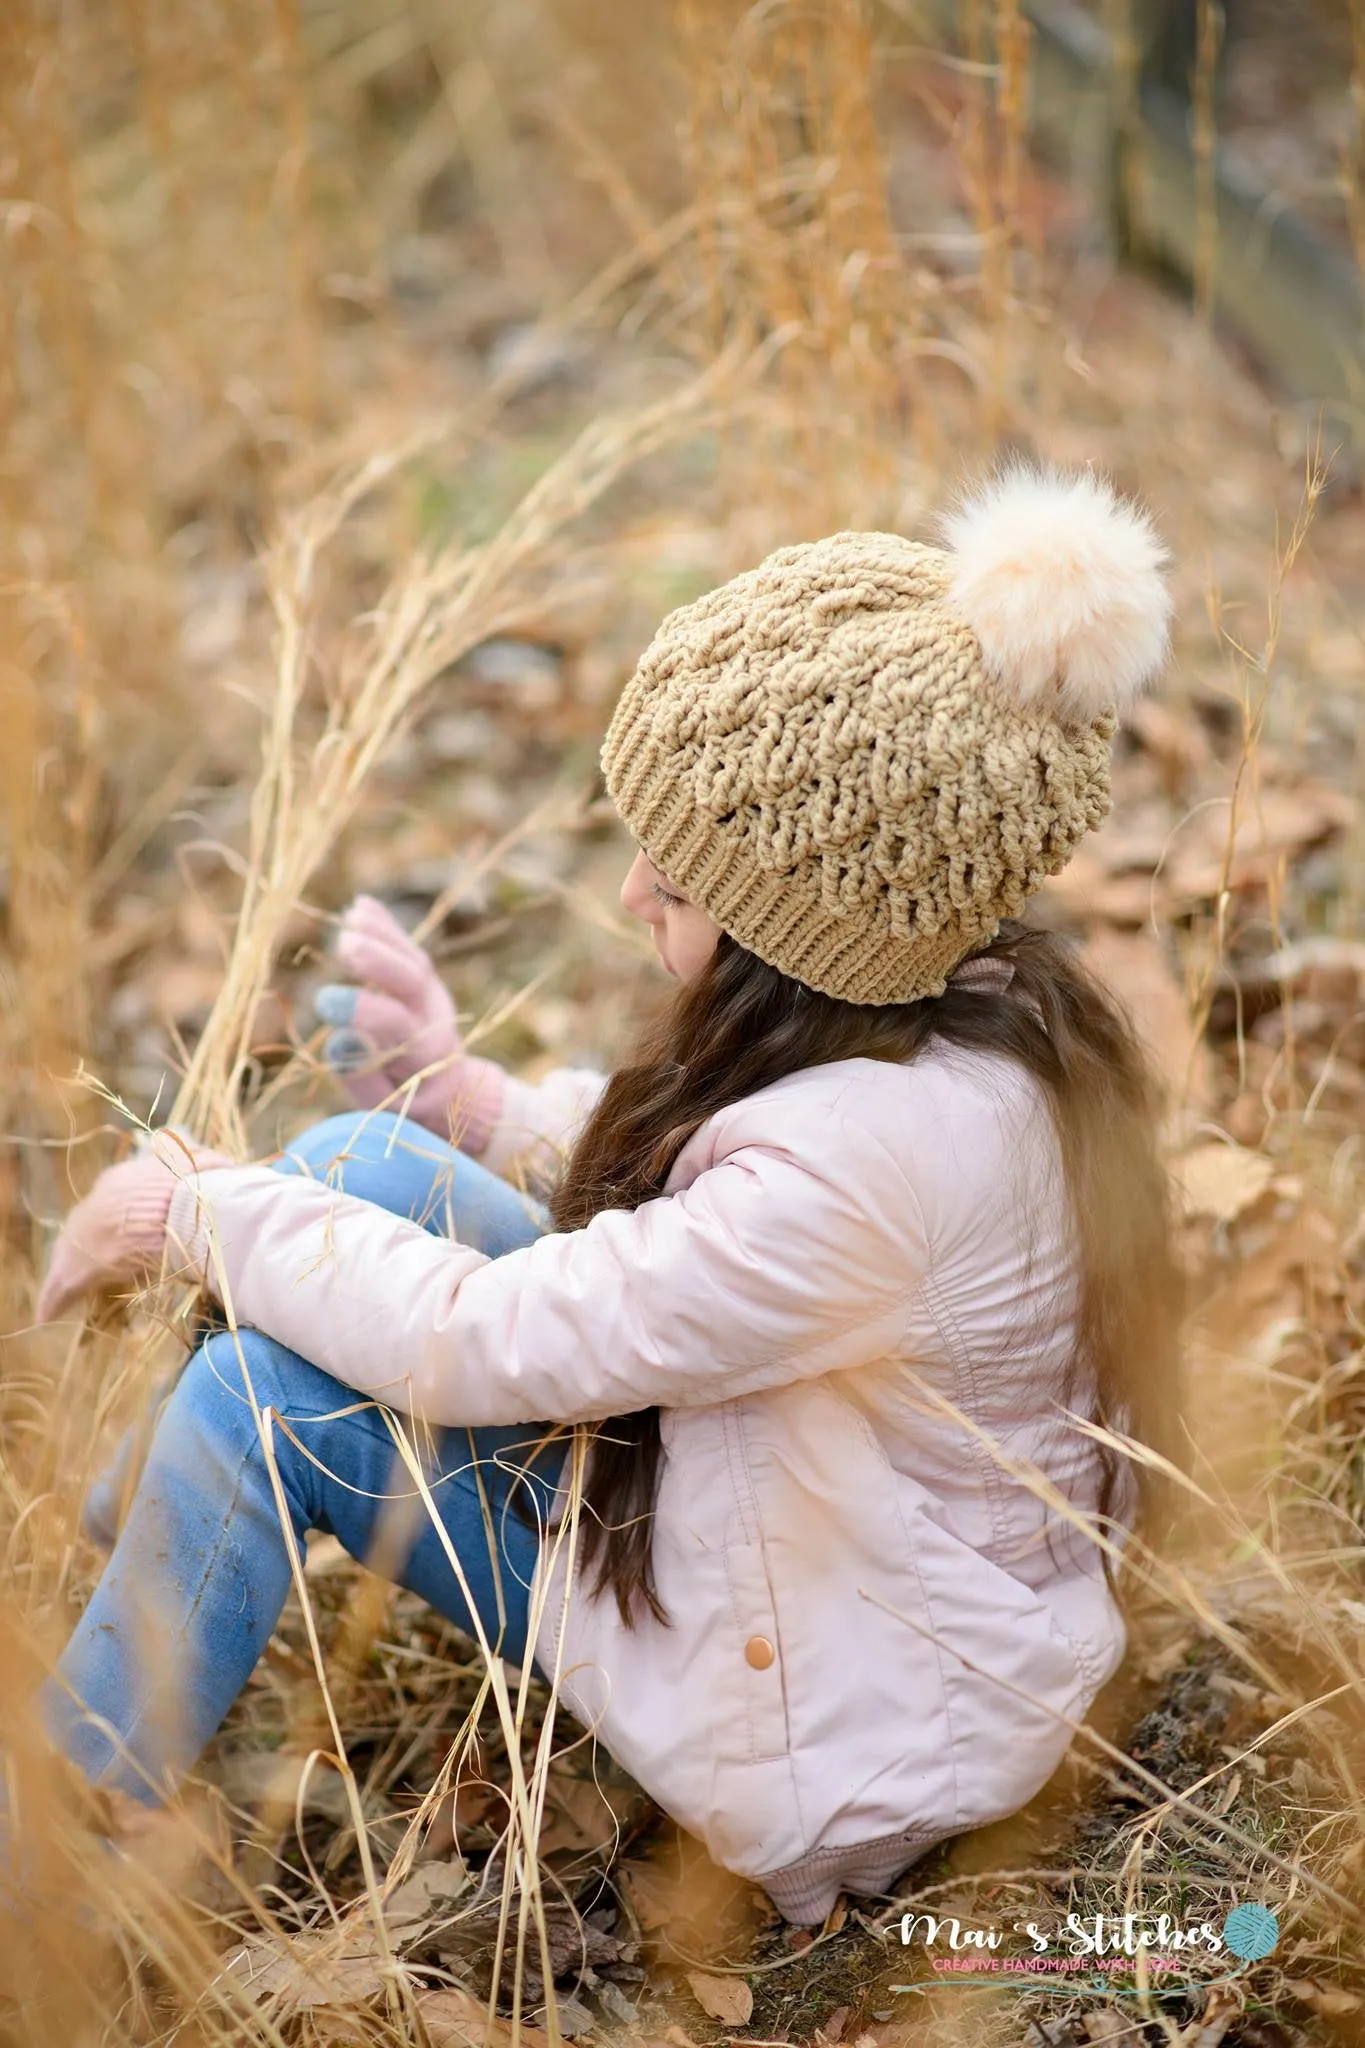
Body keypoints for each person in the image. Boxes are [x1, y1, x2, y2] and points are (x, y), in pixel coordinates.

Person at [34, 466, 1184, 1926]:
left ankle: (47, 1861)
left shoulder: (863, 1178)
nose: (636, 889)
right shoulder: (955, 1002)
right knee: (359, 1166)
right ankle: (136, 1578)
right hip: (801, 1526)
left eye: (686, 883)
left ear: (797, 941)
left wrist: (187, 1207)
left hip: (828, 1728)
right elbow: (723, 1199)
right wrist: (471, 1100)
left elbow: (493, 1336)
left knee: (260, 1400)